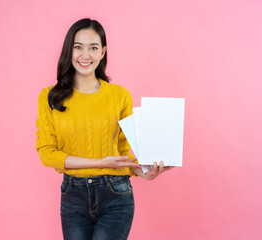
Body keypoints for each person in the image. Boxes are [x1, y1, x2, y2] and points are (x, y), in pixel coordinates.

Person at [35, 18, 173, 240]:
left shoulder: (119, 96)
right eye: (78, 47)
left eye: (93, 47)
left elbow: (122, 154)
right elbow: (47, 154)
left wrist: (145, 172)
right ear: (69, 50)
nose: (85, 55)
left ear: (103, 52)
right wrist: (100, 163)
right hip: (73, 196)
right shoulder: (49, 97)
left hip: (116, 194)